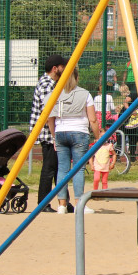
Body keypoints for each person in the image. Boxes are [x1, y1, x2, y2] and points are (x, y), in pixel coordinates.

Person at [47, 68, 101, 215]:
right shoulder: (85, 94)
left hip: (60, 131)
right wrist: (97, 137)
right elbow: (93, 119)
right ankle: (79, 203)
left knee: (62, 169)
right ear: (76, 78)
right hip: (79, 132)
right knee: (78, 169)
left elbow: (49, 118)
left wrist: (53, 136)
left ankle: (62, 205)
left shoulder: (55, 94)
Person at [31, 54, 66, 211]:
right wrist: (54, 136)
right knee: (50, 168)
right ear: (55, 68)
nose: (64, 70)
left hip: (50, 132)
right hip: (48, 133)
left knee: (57, 167)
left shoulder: (49, 83)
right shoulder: (47, 85)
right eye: (62, 67)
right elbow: (48, 112)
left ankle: (63, 201)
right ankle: (43, 203)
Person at [121, 91, 138, 159]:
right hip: (125, 118)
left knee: (133, 138)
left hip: (133, 121)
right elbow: (125, 102)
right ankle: (118, 156)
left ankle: (132, 155)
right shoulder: (134, 94)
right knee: (121, 137)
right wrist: (130, 110)